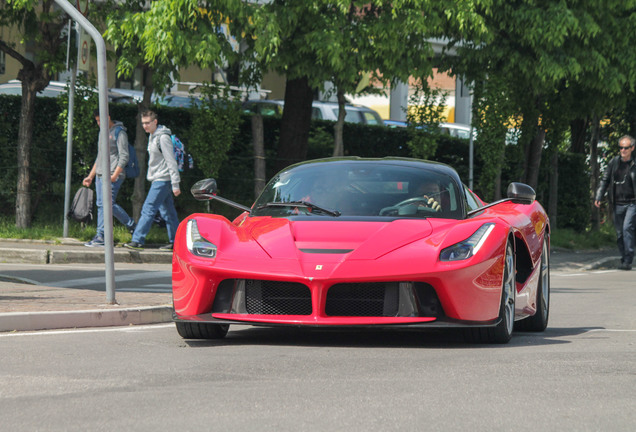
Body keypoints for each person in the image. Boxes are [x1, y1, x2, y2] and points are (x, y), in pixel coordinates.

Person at [124, 110, 180, 251]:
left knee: (148, 209)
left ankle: (137, 240)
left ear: (155, 122)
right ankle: (177, 242)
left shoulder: (163, 138)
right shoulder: (153, 136)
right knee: (168, 213)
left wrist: (175, 184)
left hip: (163, 179)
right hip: (158, 179)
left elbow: (171, 161)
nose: (145, 126)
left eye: (147, 123)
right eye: (143, 123)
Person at [82, 109, 136, 247]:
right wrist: (90, 176)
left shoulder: (119, 133)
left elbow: (124, 156)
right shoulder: (102, 133)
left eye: (101, 120)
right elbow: (99, 157)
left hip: (113, 174)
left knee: (108, 205)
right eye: (97, 121)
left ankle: (127, 226)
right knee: (102, 205)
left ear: (108, 117)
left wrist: (115, 175)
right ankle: (102, 234)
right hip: (100, 175)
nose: (99, 124)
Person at [594, 135, 636, 270]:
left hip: (632, 203)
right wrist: (599, 196)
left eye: (626, 148)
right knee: (619, 234)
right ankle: (624, 258)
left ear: (632, 148)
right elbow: (605, 179)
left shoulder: (634, 164)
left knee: (627, 228)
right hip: (618, 203)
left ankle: (628, 260)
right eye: (621, 147)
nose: (623, 150)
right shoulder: (614, 162)